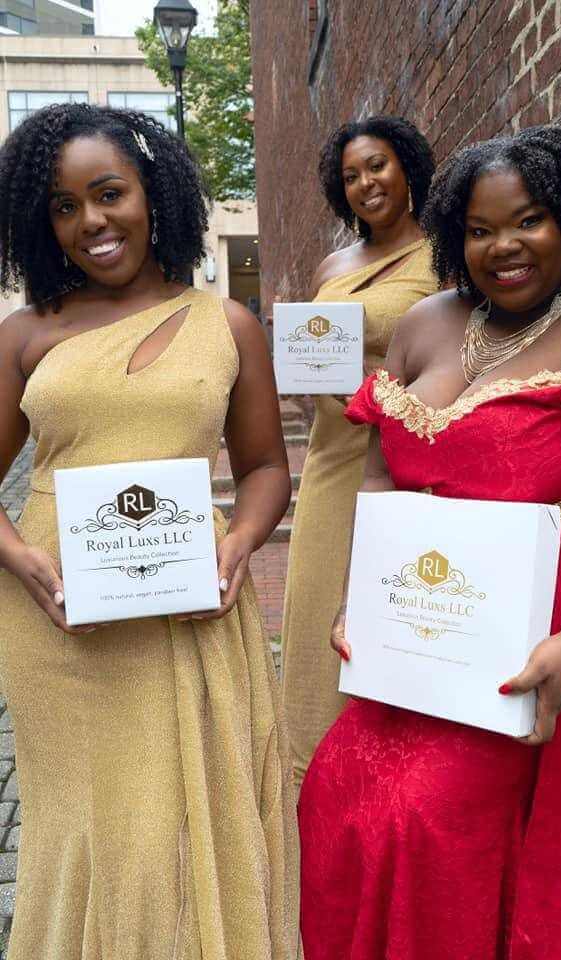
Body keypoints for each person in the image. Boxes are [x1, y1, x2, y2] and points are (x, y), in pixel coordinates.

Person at [298, 125, 561, 959]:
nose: (503, 248)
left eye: (527, 221)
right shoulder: (423, 324)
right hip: (428, 635)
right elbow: (380, 473)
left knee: (440, 824)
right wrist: (362, 600)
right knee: (336, 794)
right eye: (479, 230)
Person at [0, 103, 299, 960]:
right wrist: (21, 558)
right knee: (94, 830)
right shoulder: (26, 334)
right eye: (63, 206)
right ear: (39, 221)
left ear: (152, 194)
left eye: (108, 194)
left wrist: (238, 543)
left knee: (171, 824)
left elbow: (266, 469)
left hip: (186, 609)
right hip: (58, 624)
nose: (91, 221)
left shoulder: (226, 323)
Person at [281, 115, 438, 787]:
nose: (365, 183)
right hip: (329, 461)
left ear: (407, 168)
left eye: (376, 166)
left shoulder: (447, 253)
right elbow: (311, 378)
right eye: (350, 176)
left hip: (409, 467)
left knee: (400, 616)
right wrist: (294, 359)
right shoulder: (332, 267)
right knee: (319, 621)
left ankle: (396, 783)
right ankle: (317, 783)